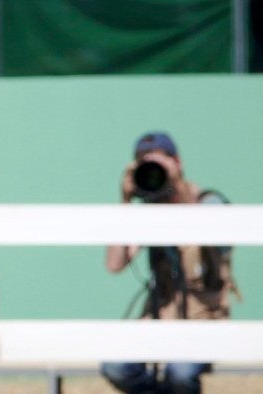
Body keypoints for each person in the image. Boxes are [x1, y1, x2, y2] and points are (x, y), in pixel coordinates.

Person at [100, 131, 237, 394]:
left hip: (203, 317)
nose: (153, 169)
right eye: (144, 163)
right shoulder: (149, 211)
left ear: (178, 162)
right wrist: (125, 201)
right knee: (115, 365)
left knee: (180, 373)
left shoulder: (209, 201)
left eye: (158, 161)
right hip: (159, 315)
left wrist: (177, 188)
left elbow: (222, 241)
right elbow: (115, 264)